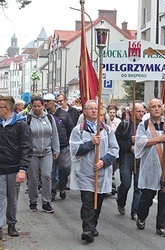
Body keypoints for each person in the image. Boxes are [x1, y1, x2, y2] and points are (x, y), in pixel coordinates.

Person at [0, 96, 33, 240]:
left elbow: (26, 147)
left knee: (12, 198)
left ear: (8, 109)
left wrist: (23, 168)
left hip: (14, 167)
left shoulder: (21, 125)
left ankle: (11, 223)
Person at [69, 100, 119, 243]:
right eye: (90, 109)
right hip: (85, 172)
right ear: (84, 112)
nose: (93, 111)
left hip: (102, 173)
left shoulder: (107, 130)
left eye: (95, 109)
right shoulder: (78, 130)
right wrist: (90, 143)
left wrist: (104, 161)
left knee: (98, 201)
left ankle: (93, 224)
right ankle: (87, 230)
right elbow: (75, 150)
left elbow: (114, 149)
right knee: (88, 201)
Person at [134, 98, 165, 237]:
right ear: (149, 109)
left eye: (159, 106)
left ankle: (162, 227)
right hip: (150, 166)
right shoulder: (143, 125)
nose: (156, 108)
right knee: (147, 197)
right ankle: (141, 216)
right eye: (153, 106)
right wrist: (158, 139)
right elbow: (140, 142)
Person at [27, 96, 60, 212]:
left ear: (43, 106)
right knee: (33, 178)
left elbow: (55, 135)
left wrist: (56, 150)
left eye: (39, 106)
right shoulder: (28, 119)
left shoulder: (50, 118)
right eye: (34, 106)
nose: (37, 108)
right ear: (31, 106)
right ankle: (33, 201)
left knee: (46, 175)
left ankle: (46, 201)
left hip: (47, 152)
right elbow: (25, 137)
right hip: (33, 153)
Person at [115, 103, 145, 221]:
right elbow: (117, 139)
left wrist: (139, 142)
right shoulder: (125, 124)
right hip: (127, 157)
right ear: (132, 112)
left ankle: (135, 212)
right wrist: (129, 146)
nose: (141, 113)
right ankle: (121, 200)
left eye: (142, 111)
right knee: (126, 184)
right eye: (138, 111)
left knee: (138, 187)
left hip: (140, 158)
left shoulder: (146, 125)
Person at [43, 93, 72, 201]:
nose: (45, 103)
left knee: (64, 167)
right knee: (51, 170)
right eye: (44, 101)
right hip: (49, 146)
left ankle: (62, 186)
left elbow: (70, 128)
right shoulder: (44, 115)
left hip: (63, 145)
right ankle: (52, 191)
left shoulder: (64, 114)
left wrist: (68, 141)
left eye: (47, 101)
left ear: (53, 102)